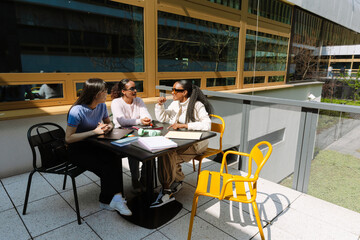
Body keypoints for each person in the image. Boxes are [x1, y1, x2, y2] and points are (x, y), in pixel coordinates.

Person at [65, 78, 132, 216]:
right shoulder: (76, 111)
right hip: (77, 150)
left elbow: (110, 123)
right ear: (96, 94)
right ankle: (109, 200)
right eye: (104, 91)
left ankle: (115, 198)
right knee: (106, 166)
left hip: (94, 145)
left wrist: (108, 127)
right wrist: (93, 132)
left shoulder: (101, 106)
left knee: (115, 157)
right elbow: (68, 138)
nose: (107, 94)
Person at [151, 80, 213, 208]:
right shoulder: (175, 103)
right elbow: (163, 118)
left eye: (175, 90)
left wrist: (184, 125)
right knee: (167, 153)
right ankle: (176, 181)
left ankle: (167, 190)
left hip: (197, 142)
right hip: (181, 140)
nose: (172, 92)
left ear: (184, 92)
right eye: (172, 90)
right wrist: (160, 105)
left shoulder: (197, 105)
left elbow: (207, 125)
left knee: (168, 156)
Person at [111, 79, 152, 193]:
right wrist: (140, 121)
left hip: (138, 131)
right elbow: (122, 121)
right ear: (123, 91)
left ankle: (144, 178)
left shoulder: (138, 100)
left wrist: (146, 119)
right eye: (132, 89)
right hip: (122, 134)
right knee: (134, 150)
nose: (135, 91)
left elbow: (147, 116)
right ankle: (135, 179)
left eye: (135, 88)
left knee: (150, 149)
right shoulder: (116, 102)